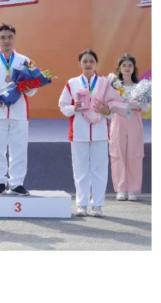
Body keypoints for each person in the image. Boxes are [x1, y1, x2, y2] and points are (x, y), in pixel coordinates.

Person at [0, 23, 37, 196]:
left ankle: (17, 183)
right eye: (2, 37)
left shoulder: (26, 61)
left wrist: (29, 89)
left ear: (15, 38)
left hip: (19, 113)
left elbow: (34, 86)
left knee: (19, 149)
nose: (6, 41)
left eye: (10, 37)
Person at [59, 50, 113, 217]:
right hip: (79, 133)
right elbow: (63, 106)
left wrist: (107, 110)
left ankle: (97, 205)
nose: (88, 64)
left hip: (100, 133)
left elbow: (113, 110)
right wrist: (73, 108)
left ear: (96, 64)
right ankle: (81, 204)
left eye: (91, 61)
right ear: (79, 64)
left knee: (99, 170)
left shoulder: (105, 84)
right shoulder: (72, 83)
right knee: (80, 170)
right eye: (85, 61)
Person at [109, 54, 149, 202]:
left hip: (134, 122)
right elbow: (110, 107)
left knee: (134, 154)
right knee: (118, 153)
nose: (127, 68)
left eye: (130, 65)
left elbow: (146, 108)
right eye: (124, 65)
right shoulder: (114, 86)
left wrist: (139, 104)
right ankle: (120, 189)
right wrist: (122, 106)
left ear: (134, 68)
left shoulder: (140, 87)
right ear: (119, 68)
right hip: (118, 121)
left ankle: (132, 189)